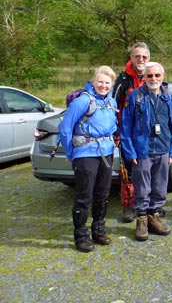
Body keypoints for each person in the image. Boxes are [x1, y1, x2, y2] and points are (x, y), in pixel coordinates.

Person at [60, 66, 118, 252]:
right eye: (100, 81)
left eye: (107, 83)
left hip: (106, 152)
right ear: (93, 81)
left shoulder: (111, 102)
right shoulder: (83, 101)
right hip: (85, 153)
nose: (103, 85)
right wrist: (70, 152)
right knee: (84, 196)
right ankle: (81, 236)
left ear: (112, 84)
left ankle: (98, 230)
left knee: (103, 194)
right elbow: (65, 128)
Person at [120, 62, 172, 241]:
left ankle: (154, 217)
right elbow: (125, 127)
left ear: (162, 76)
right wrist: (130, 152)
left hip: (163, 149)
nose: (153, 79)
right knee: (142, 187)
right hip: (142, 151)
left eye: (157, 75)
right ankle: (141, 219)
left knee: (160, 186)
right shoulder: (135, 97)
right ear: (144, 77)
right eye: (149, 76)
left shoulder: (169, 97)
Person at [112, 42, 151, 223]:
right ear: (132, 58)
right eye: (137, 56)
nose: (140, 59)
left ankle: (149, 206)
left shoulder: (153, 76)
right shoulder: (123, 79)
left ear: (148, 58)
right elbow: (112, 106)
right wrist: (116, 132)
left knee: (148, 170)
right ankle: (129, 207)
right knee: (127, 172)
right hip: (127, 133)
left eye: (144, 56)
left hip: (149, 135)